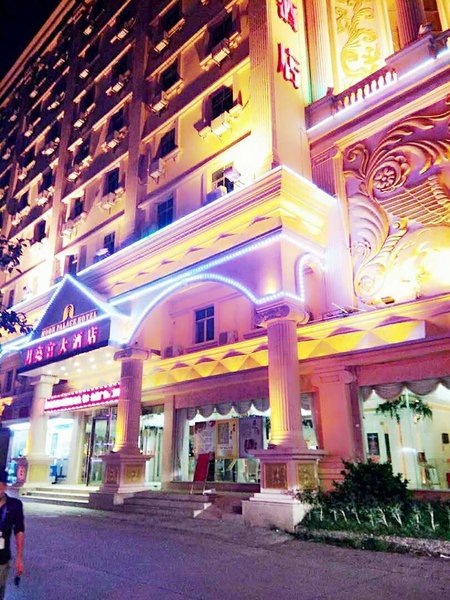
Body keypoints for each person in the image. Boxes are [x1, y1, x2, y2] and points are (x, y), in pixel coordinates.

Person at [0, 470, 24, 599]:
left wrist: (19, 558)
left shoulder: (14, 505)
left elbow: (19, 530)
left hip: (2, 558)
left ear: (5, 486)